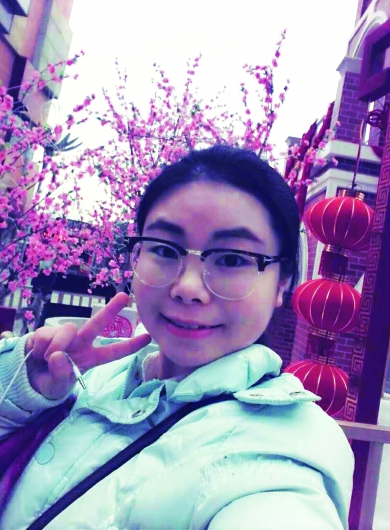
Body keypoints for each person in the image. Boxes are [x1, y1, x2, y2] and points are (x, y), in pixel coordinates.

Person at [0, 145, 354, 529]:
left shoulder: (281, 454)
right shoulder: (91, 377)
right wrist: (24, 388)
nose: (187, 287)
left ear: (282, 281)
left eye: (232, 259)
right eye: (165, 250)